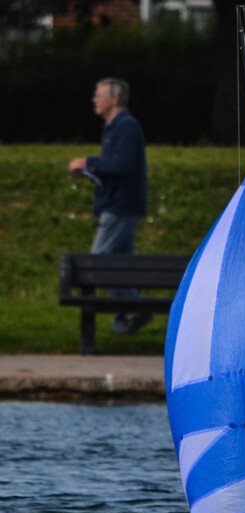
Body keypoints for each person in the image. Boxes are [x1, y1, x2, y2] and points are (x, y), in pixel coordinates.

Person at [68, 78, 151, 335]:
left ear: (114, 99)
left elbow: (122, 166)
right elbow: (115, 167)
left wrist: (89, 162)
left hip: (120, 207)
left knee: (97, 263)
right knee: (119, 264)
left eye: (99, 95)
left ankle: (135, 308)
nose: (95, 99)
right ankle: (132, 310)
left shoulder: (126, 127)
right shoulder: (116, 127)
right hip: (119, 204)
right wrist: (90, 170)